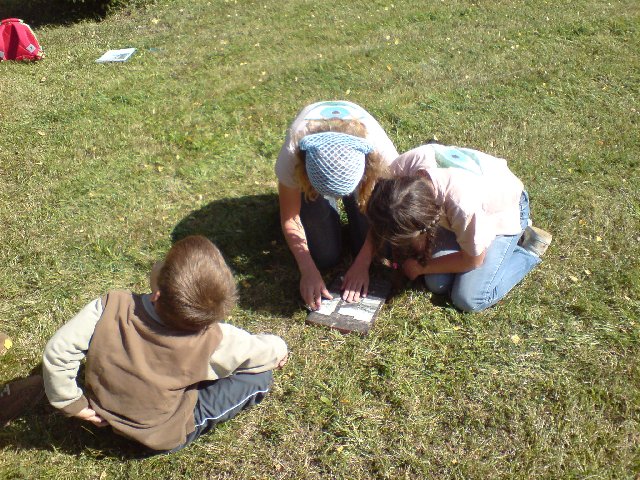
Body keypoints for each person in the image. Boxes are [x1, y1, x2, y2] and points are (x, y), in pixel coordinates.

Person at [42, 235, 288, 453]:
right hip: (158, 434)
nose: (158, 262)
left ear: (157, 294)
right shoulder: (215, 340)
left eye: (163, 262)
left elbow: (58, 351)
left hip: (103, 410)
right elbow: (263, 353)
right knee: (260, 377)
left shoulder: (110, 306)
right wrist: (280, 348)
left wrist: (70, 402)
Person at [366, 144, 552, 312]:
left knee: (467, 298)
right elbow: (380, 221)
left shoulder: (463, 207)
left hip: (504, 210)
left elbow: (473, 260)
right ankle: (466, 240)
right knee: (437, 283)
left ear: (426, 225)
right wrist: (361, 265)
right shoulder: (405, 169)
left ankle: (527, 250)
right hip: (460, 214)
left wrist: (420, 268)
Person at [276, 100, 398, 310]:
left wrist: (363, 263)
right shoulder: (292, 154)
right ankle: (323, 200)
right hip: (315, 170)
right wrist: (307, 269)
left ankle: (351, 199)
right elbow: (290, 217)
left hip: (361, 169)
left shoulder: (383, 154)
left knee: (380, 249)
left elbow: (386, 213)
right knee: (324, 256)